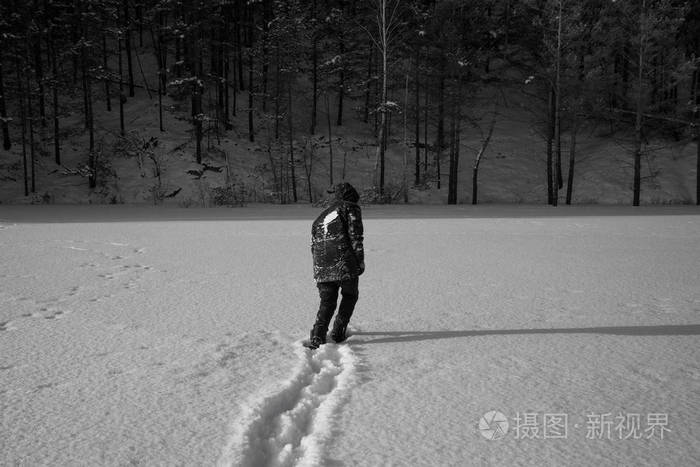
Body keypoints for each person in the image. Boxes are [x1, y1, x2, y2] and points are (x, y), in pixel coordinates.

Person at [307, 182, 365, 349]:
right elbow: (356, 237)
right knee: (350, 295)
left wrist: (320, 267)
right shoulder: (350, 208)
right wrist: (360, 261)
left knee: (327, 301)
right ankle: (338, 331)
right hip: (344, 262)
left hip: (321, 266)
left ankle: (318, 335)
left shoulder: (319, 218)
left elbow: (313, 245)